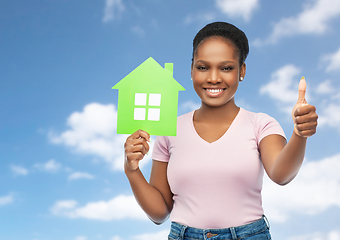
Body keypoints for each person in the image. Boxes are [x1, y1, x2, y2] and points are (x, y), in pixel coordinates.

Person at [124, 22, 318, 240]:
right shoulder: (170, 131)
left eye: (226, 68)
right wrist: (132, 170)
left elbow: (281, 174)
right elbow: (160, 213)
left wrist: (300, 134)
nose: (213, 77)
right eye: (203, 67)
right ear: (191, 70)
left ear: (241, 70)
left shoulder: (261, 124)